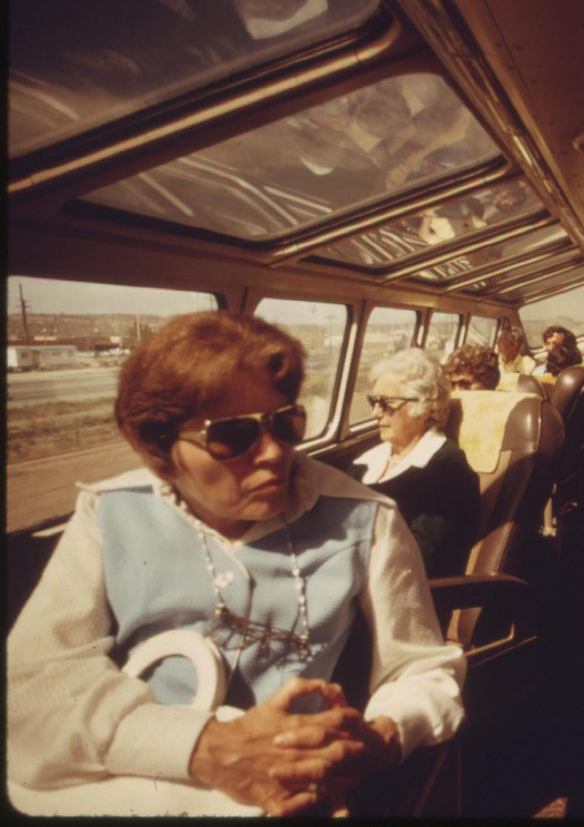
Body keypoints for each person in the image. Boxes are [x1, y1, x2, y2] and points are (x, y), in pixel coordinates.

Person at [7, 312, 464, 817]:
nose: (274, 453)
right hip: (135, 786)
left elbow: (422, 667)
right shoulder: (110, 512)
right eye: (233, 435)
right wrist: (204, 749)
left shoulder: (367, 520)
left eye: (285, 423)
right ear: (160, 445)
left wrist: (379, 740)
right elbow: (31, 686)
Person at [350, 348, 481, 582]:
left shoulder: (447, 471)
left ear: (423, 410)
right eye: (373, 401)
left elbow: (419, 559)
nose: (375, 413)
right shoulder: (366, 462)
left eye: (386, 404)